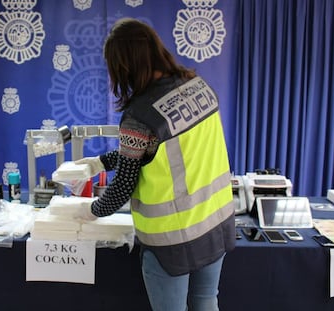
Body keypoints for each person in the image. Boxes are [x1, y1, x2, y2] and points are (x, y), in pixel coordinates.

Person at [74, 17, 236, 311]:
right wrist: (100, 162)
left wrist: (90, 211)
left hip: (172, 240)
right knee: (206, 302)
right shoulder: (198, 87)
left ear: (125, 67)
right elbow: (159, 152)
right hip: (215, 223)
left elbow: (124, 184)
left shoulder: (140, 115)